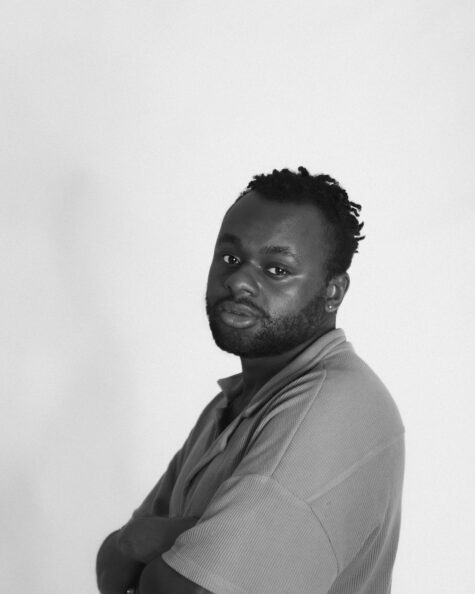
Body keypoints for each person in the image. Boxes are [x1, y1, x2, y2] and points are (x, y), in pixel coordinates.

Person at [96, 167, 405, 594]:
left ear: (333, 292)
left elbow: (175, 587)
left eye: (277, 269)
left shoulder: (331, 407)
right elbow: (114, 568)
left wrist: (158, 542)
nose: (239, 280)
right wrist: (144, 542)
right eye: (230, 259)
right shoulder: (233, 404)